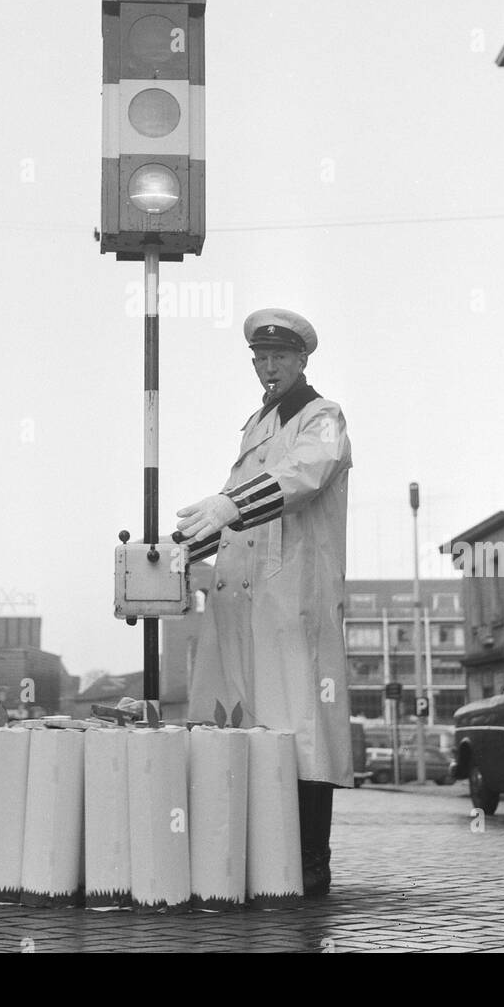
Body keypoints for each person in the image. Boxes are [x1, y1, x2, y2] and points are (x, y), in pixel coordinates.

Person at [175, 308, 353, 897]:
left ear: (302, 361)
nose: (269, 366)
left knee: (300, 729)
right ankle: (253, 858)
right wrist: (172, 552)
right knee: (241, 726)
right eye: (261, 358)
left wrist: (229, 507)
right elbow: (229, 509)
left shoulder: (322, 417)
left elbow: (308, 472)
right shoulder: (256, 424)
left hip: (291, 600)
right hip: (241, 603)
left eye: (280, 357)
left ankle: (309, 862)